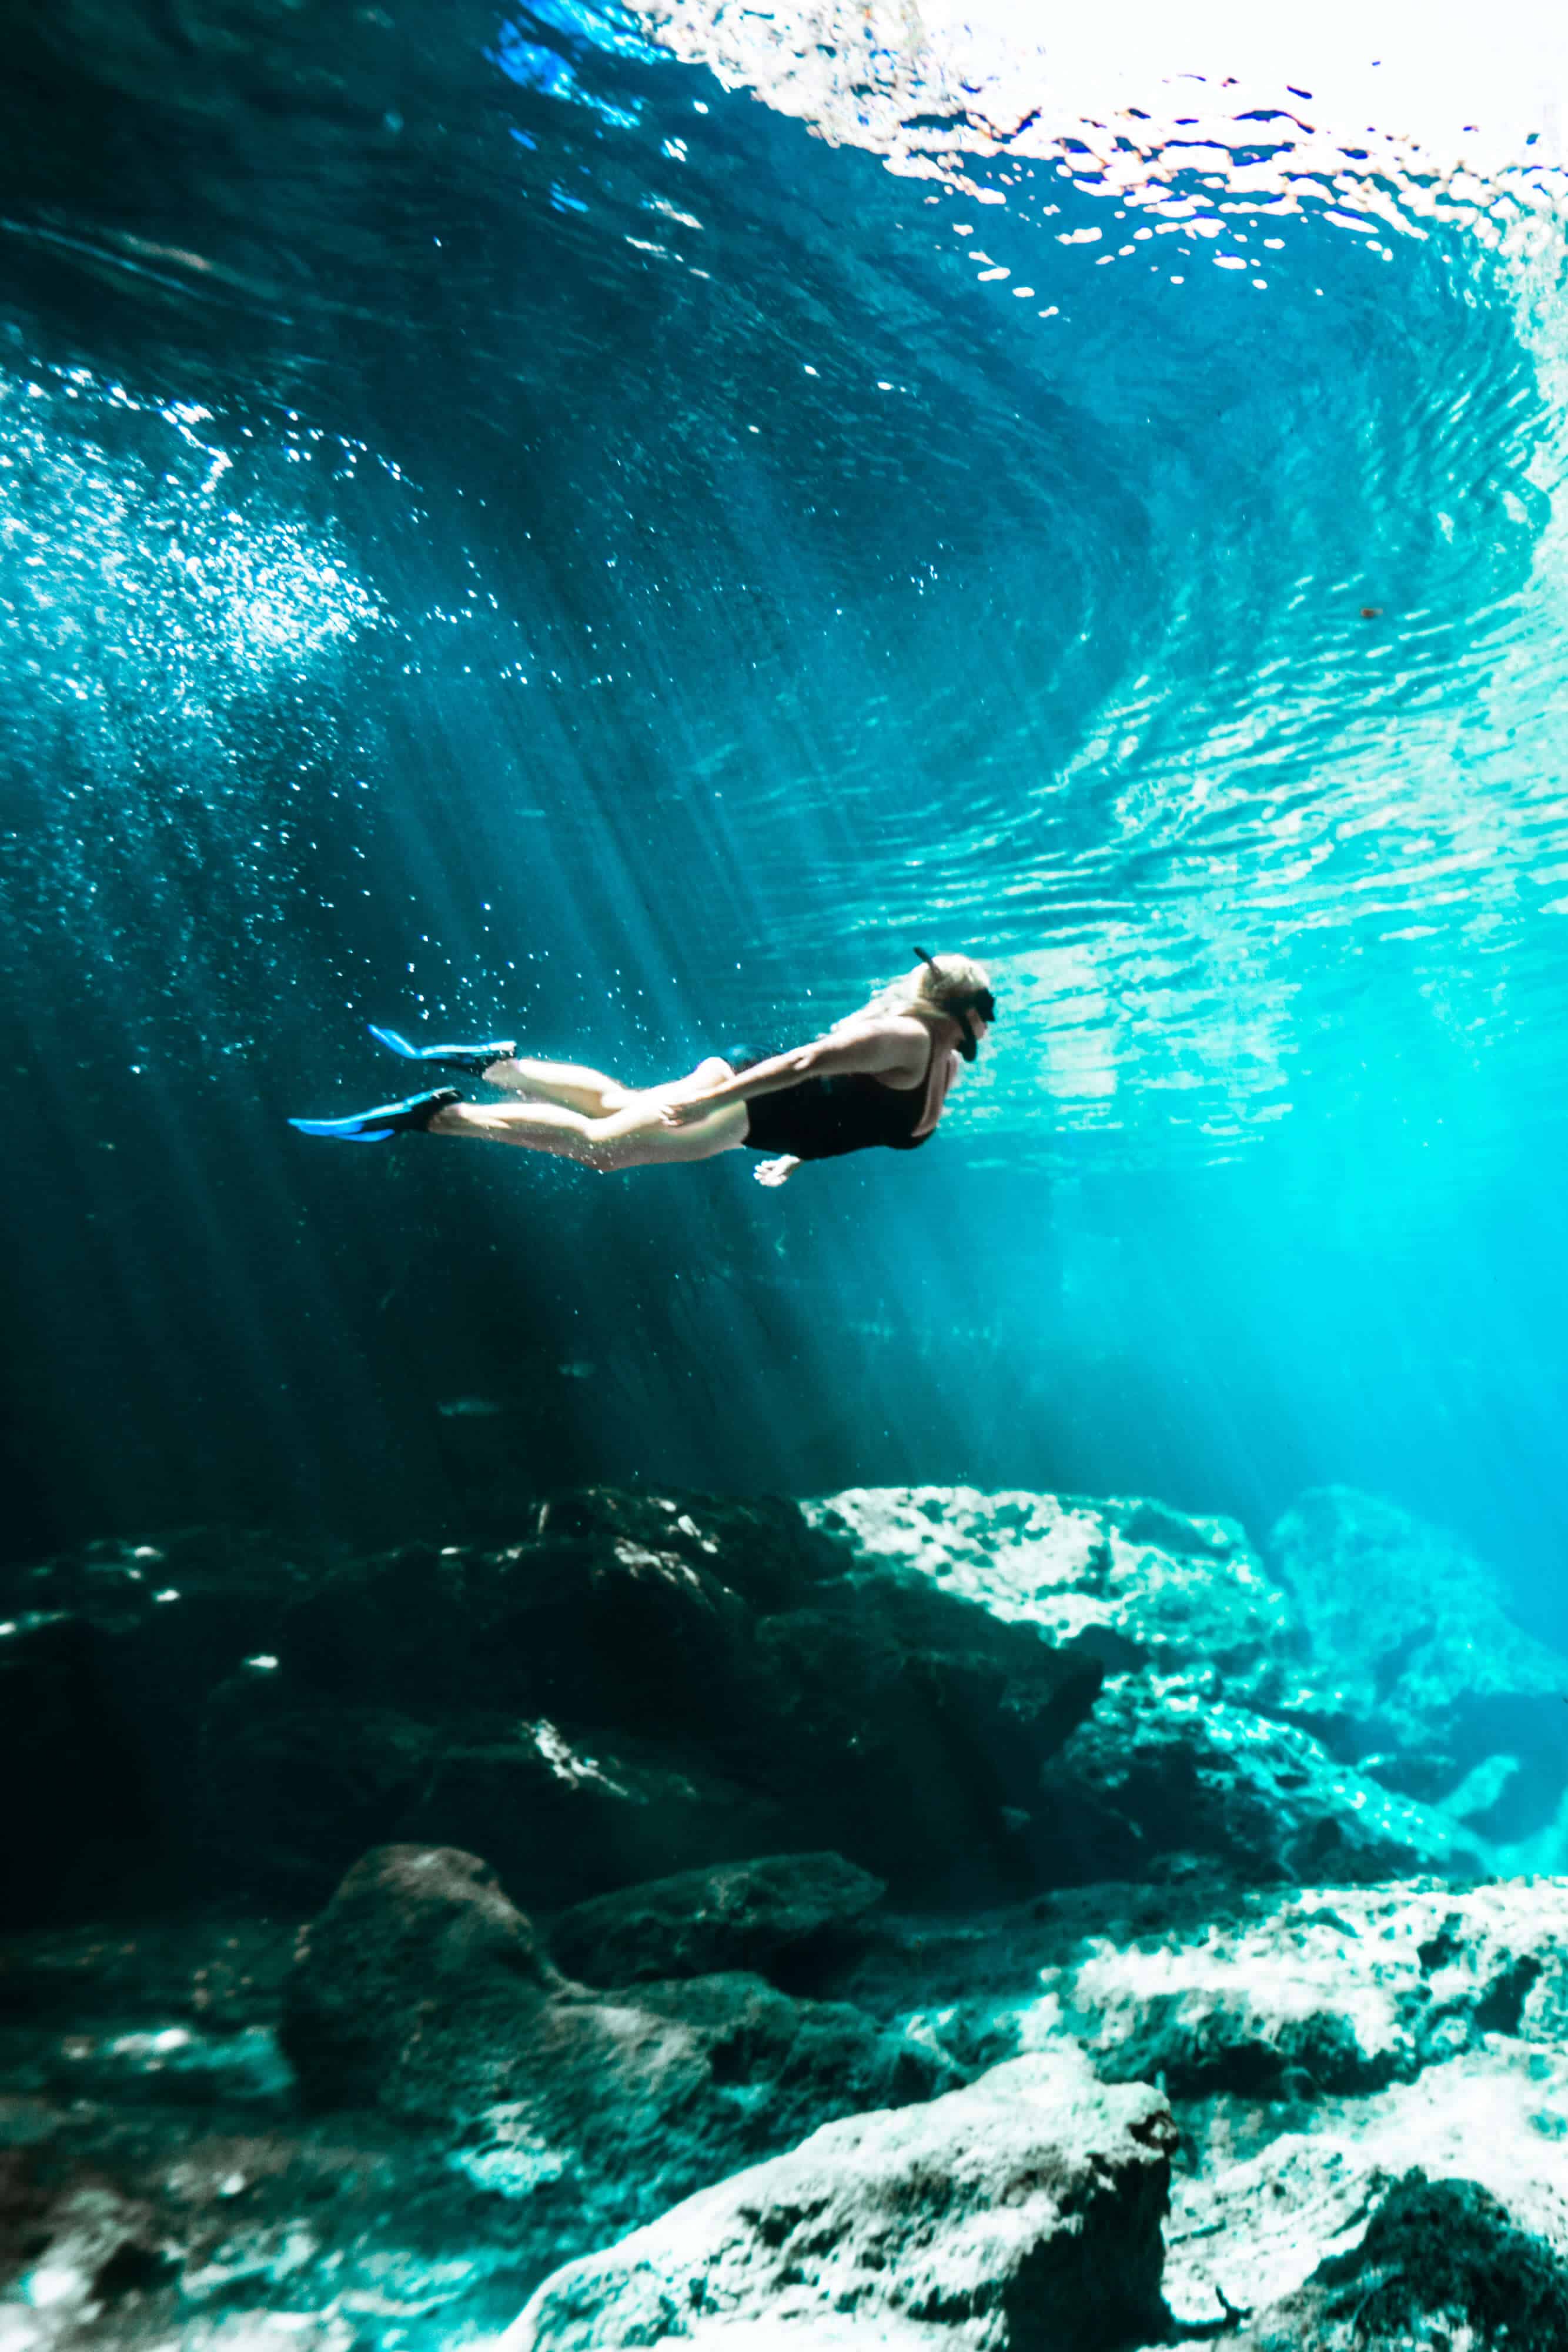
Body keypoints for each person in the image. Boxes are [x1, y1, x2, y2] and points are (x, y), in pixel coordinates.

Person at [289, 947, 994, 1187]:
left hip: (757, 1105)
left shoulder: (942, 1063)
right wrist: (712, 1105)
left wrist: (798, 1160)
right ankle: (435, 1115)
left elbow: (854, 1112)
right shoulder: (908, 1036)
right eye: (988, 1009)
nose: (992, 1025)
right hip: (750, 1103)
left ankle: (500, 1064)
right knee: (603, 1153)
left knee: (613, 1105)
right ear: (957, 1007)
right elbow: (806, 1062)